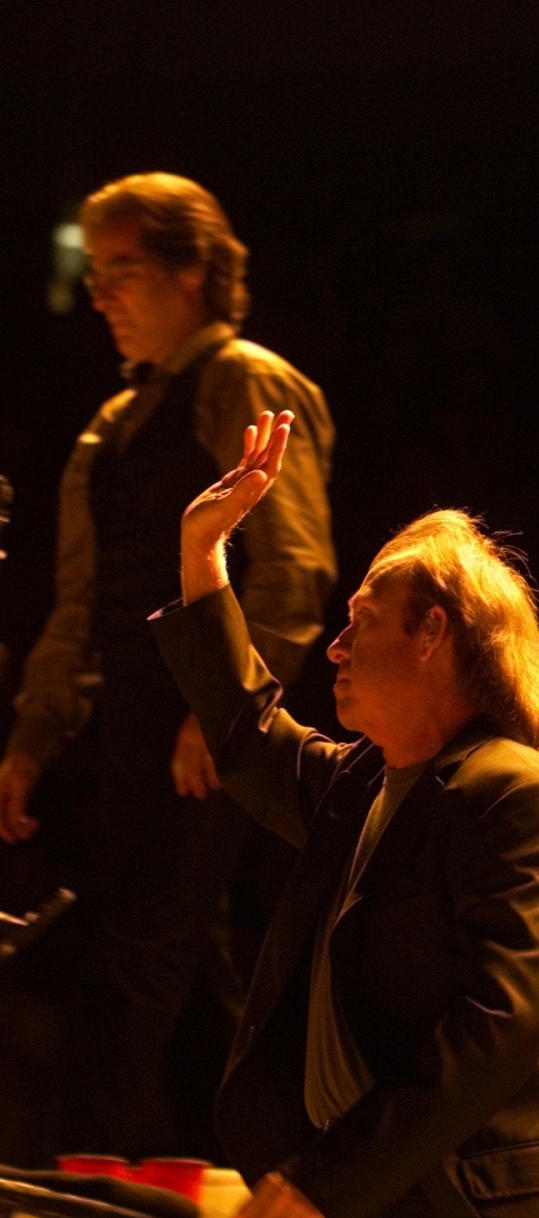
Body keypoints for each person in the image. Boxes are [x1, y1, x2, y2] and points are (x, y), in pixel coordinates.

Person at [150, 411, 539, 1218]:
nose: (333, 642)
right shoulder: (364, 787)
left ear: (435, 632)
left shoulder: (516, 798)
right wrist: (205, 556)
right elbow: (246, 735)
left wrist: (327, 1181)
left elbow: (494, 1032)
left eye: (361, 619)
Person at [0, 174, 335, 1160]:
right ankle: (245, 1180)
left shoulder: (243, 378)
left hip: (202, 726)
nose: (100, 294)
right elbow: (80, 606)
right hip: (134, 731)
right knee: (186, 968)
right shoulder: (111, 424)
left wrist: (223, 708)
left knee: (136, 959)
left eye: (123, 272)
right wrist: (32, 737)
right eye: (93, 274)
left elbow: (293, 567)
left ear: (194, 272)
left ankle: (81, 1177)